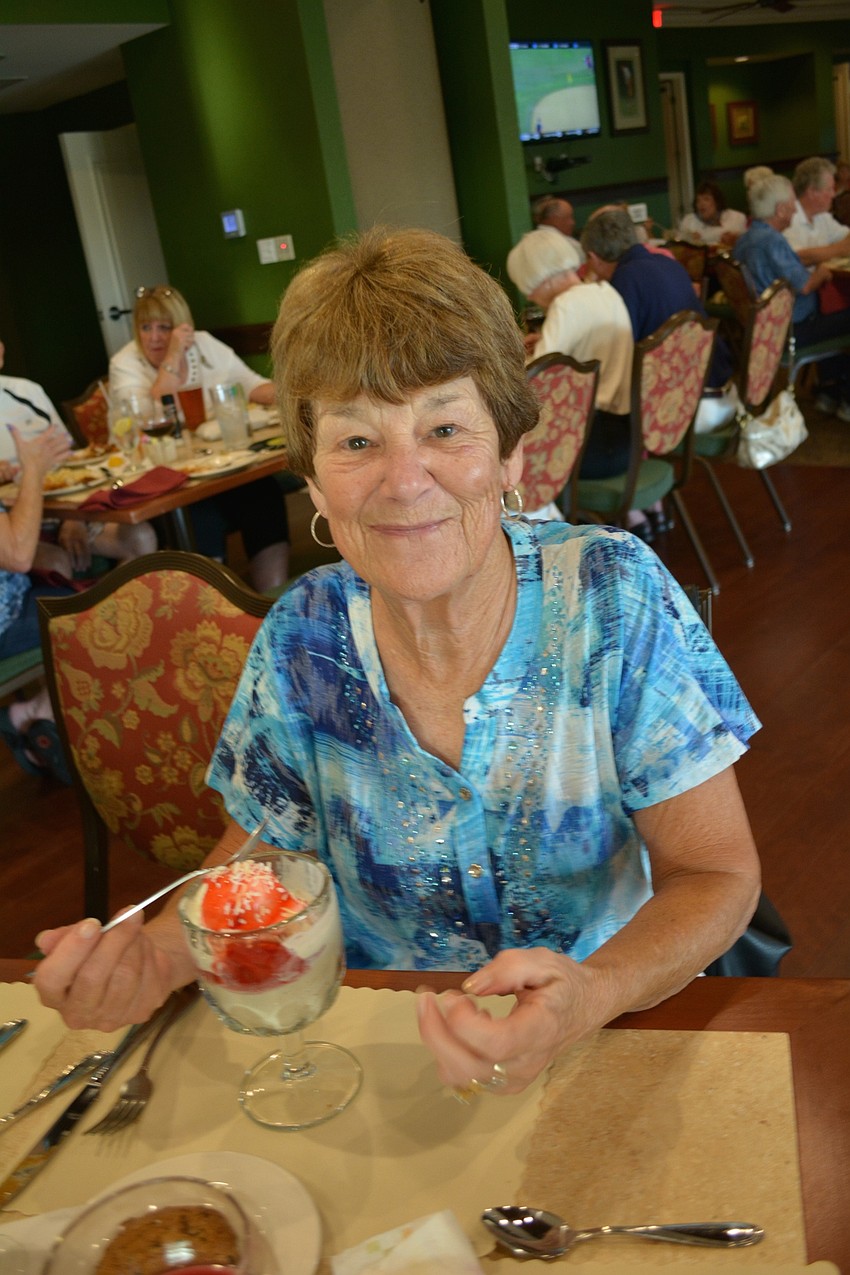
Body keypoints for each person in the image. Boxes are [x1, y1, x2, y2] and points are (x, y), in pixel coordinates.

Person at [34, 228, 761, 1101]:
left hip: (607, 1034)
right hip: (389, 1062)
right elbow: (259, 860)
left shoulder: (612, 596)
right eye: (356, 442)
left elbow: (717, 875)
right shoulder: (302, 636)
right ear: (312, 481)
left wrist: (590, 993)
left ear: (510, 454)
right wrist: (155, 958)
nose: (405, 480)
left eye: (444, 428)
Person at [109, 287, 290, 591]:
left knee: (263, 495)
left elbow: (251, 384)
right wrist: (173, 355)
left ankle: (272, 598)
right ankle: (210, 606)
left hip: (215, 469)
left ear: (183, 327)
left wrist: (296, 395)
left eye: (164, 327)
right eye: (146, 327)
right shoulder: (125, 363)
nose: (154, 337)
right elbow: (150, 418)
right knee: (200, 515)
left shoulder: (205, 345)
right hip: (163, 483)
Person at [1, 341, 157, 575]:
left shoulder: (26, 391)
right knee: (56, 563)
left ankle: (113, 600)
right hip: (13, 525)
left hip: (60, 511)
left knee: (141, 537)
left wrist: (74, 519)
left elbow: (69, 462)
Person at [506, 226, 633, 487]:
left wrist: (508, 357)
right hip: (626, 434)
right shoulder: (605, 292)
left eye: (530, 288)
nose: (530, 296)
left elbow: (534, 380)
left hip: (592, 443)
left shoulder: (565, 305)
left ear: (544, 279)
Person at [734, 173, 850, 419]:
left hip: (762, 330)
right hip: (790, 330)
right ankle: (844, 397)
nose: (795, 211)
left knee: (831, 313)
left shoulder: (744, 241)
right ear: (780, 210)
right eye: (791, 206)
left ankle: (829, 393)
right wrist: (821, 272)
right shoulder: (773, 241)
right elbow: (805, 285)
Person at [582, 207, 733, 388]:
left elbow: (618, 355)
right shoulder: (668, 263)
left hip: (677, 391)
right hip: (710, 375)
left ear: (593, 257)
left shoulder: (624, 280)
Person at [0, 423, 75, 783]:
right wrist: (33, 468)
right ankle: (38, 715)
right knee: (103, 615)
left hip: (13, 599)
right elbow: (17, 555)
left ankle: (35, 714)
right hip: (5, 620)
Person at [783, 157, 850, 266]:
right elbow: (798, 257)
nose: (833, 195)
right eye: (829, 189)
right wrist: (840, 249)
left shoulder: (822, 216)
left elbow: (845, 235)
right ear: (812, 192)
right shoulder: (789, 218)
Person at [677, 181, 747, 247]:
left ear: (717, 202)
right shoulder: (689, 221)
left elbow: (746, 244)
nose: (701, 204)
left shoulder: (736, 218)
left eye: (706, 199)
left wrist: (736, 239)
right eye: (698, 200)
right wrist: (689, 239)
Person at [530, 195, 585, 264]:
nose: (572, 223)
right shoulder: (570, 246)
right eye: (568, 217)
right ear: (555, 219)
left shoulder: (526, 244)